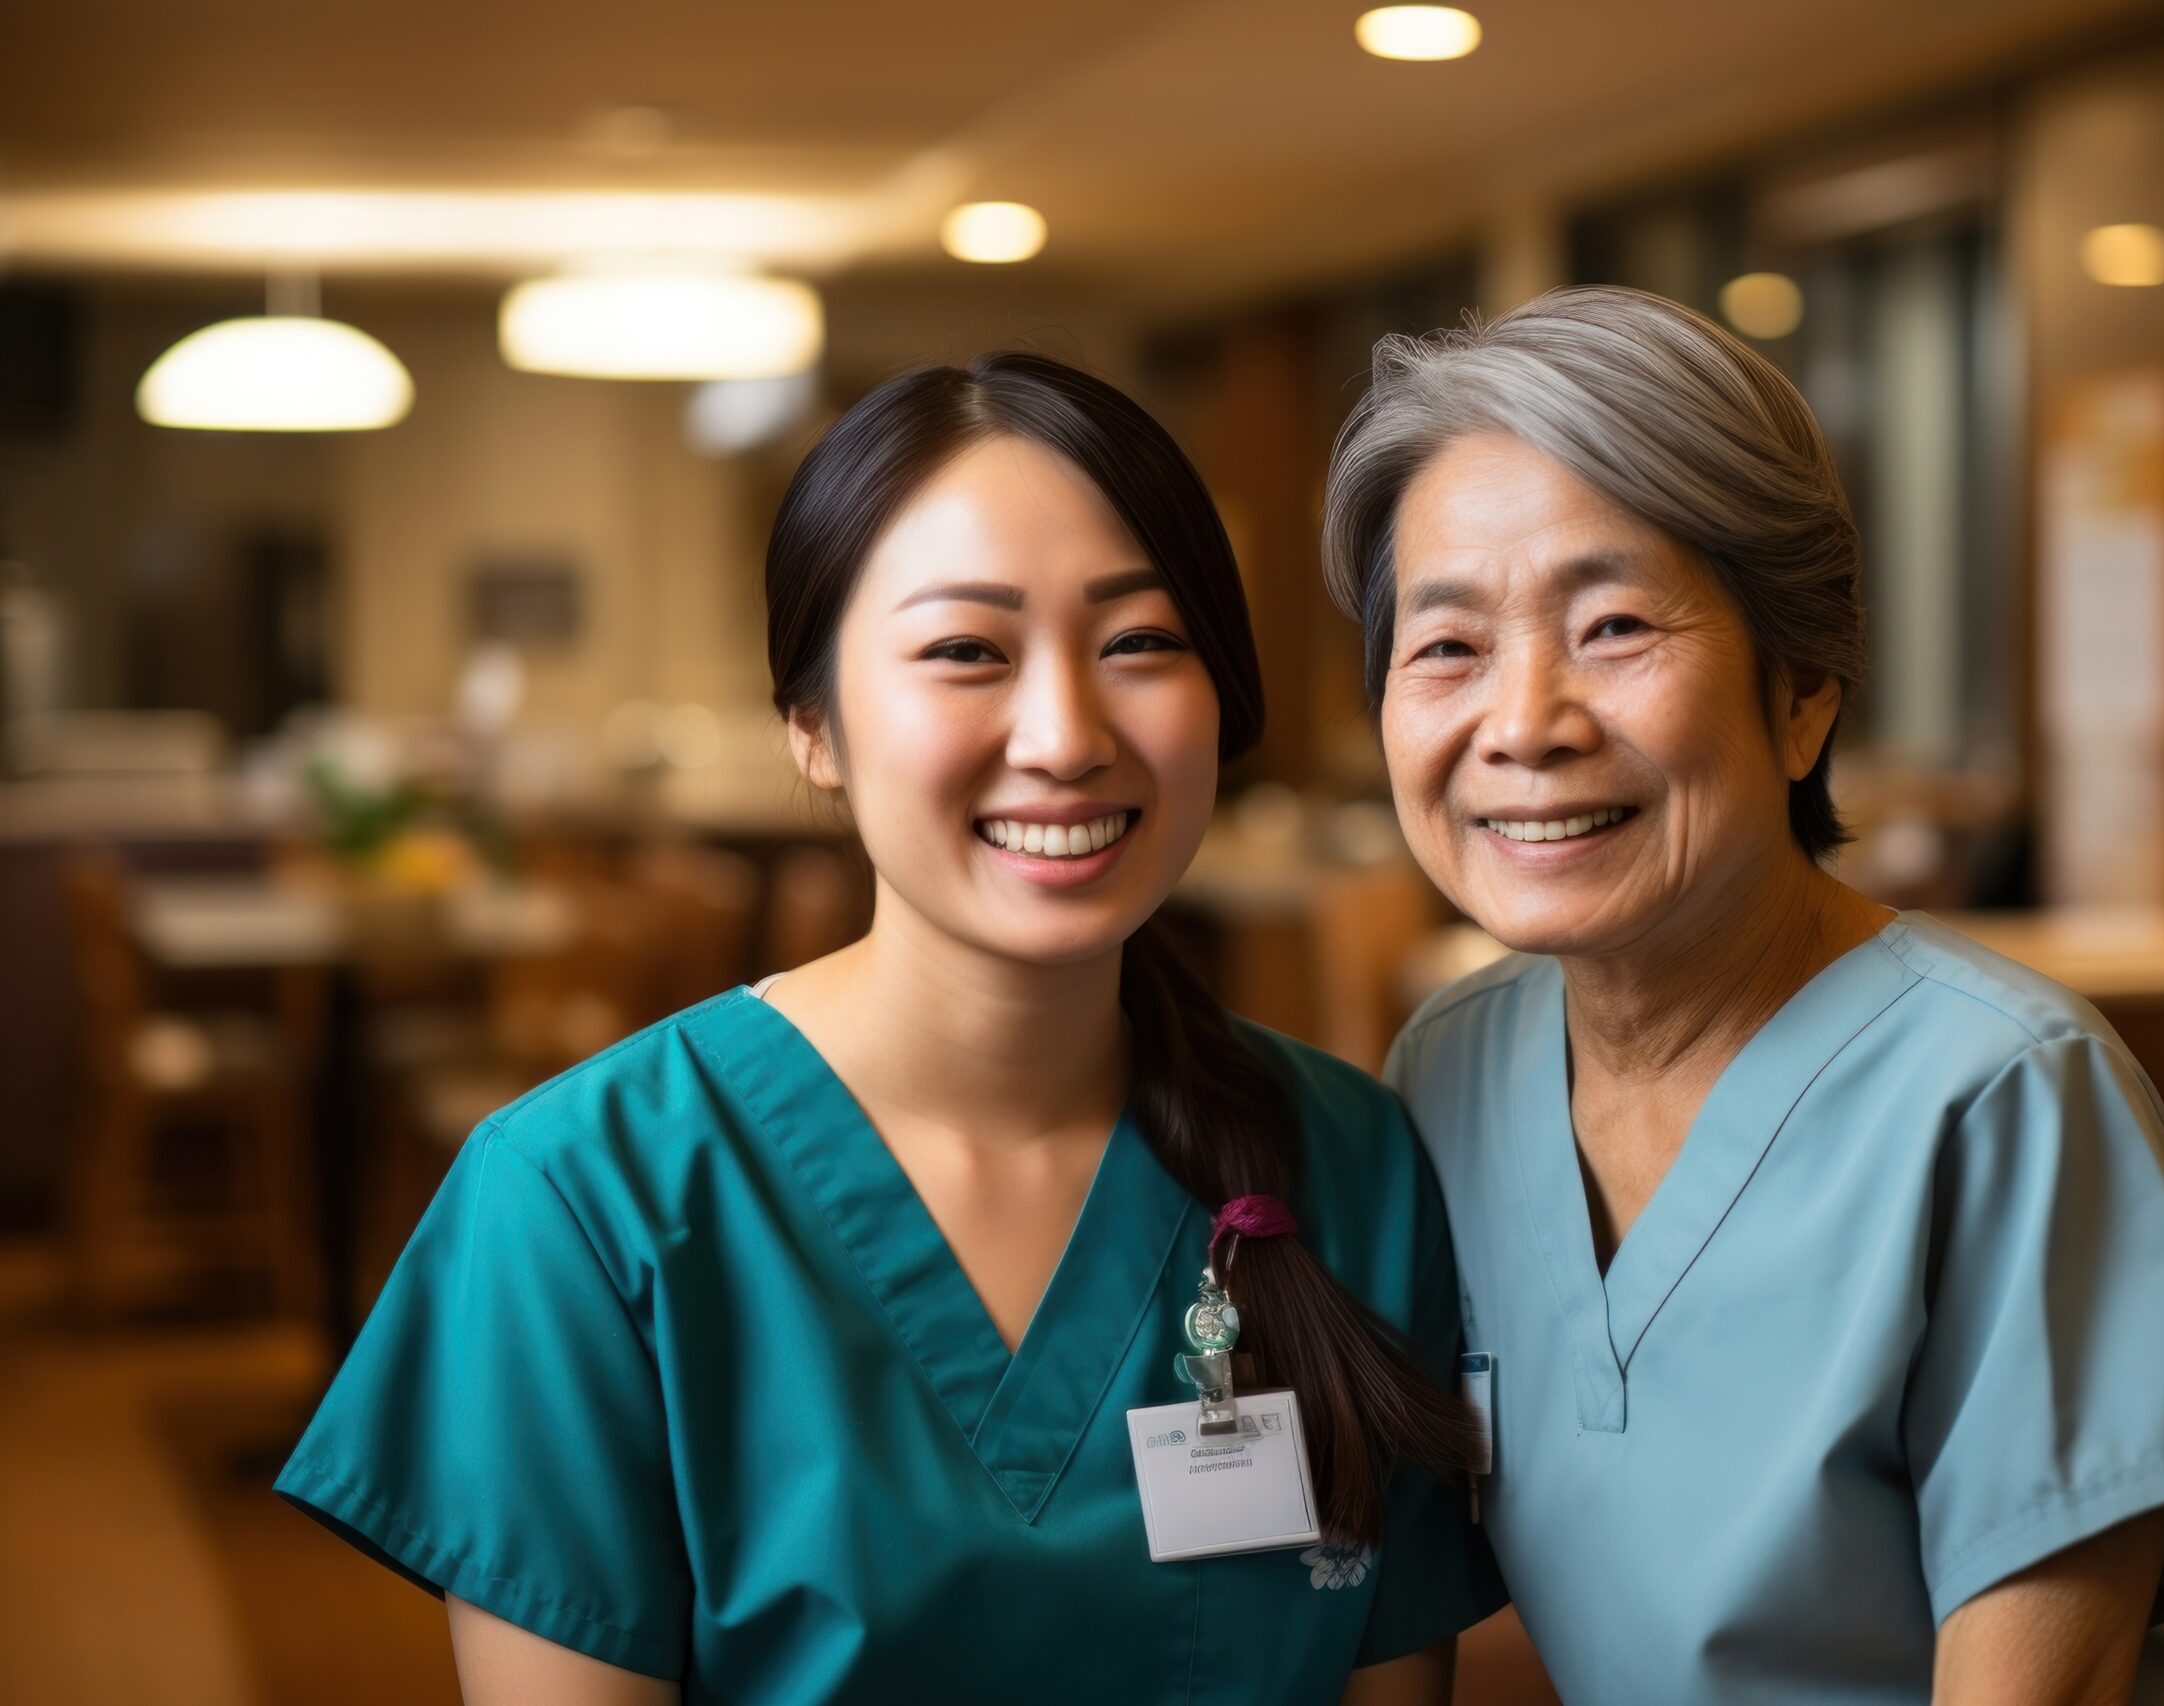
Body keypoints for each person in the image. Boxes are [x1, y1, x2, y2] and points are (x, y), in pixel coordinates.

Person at [278, 353, 1504, 1704]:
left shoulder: (1354, 1167)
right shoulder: (585, 1201)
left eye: (1140, 643)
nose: (1064, 734)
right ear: (813, 724)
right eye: (967, 650)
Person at [1322, 286, 2164, 1705]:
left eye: (1612, 627)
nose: (1523, 722)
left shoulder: (1997, 1089)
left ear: (1804, 692)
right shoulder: (1446, 1073)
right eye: (1449, 646)